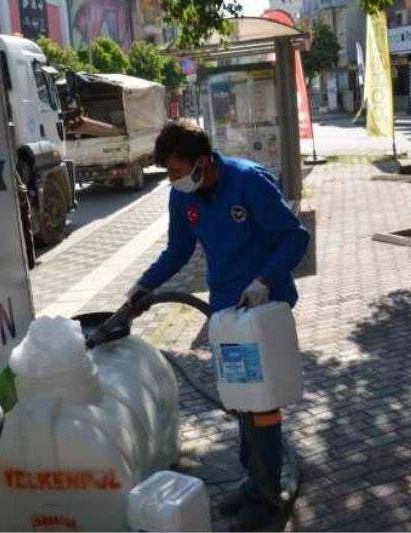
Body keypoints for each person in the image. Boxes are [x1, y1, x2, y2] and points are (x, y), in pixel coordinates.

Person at [125, 120, 309, 531]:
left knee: (261, 402)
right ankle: (253, 483)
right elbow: (178, 250)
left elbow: (295, 237)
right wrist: (144, 286)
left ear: (203, 161)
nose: (173, 180)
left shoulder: (249, 182)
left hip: (264, 306)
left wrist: (264, 280)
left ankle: (265, 494)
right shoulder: (182, 197)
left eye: (175, 171)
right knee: (241, 397)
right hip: (226, 311)